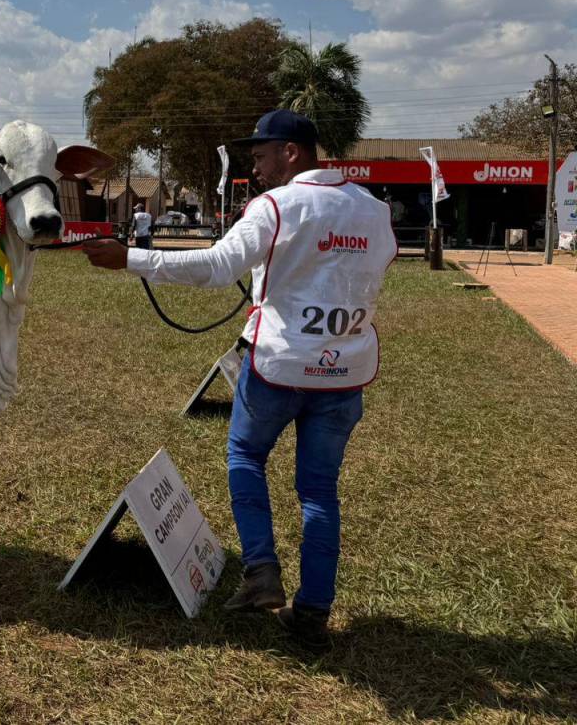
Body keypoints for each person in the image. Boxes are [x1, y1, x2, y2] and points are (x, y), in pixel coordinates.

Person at [81, 109, 395, 651]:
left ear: (291, 152)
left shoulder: (275, 205)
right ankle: (313, 611)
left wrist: (131, 258)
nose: (257, 165)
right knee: (320, 492)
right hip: (345, 370)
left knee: (245, 457)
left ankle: (261, 572)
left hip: (279, 365)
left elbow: (216, 267)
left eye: (261, 154)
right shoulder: (373, 210)